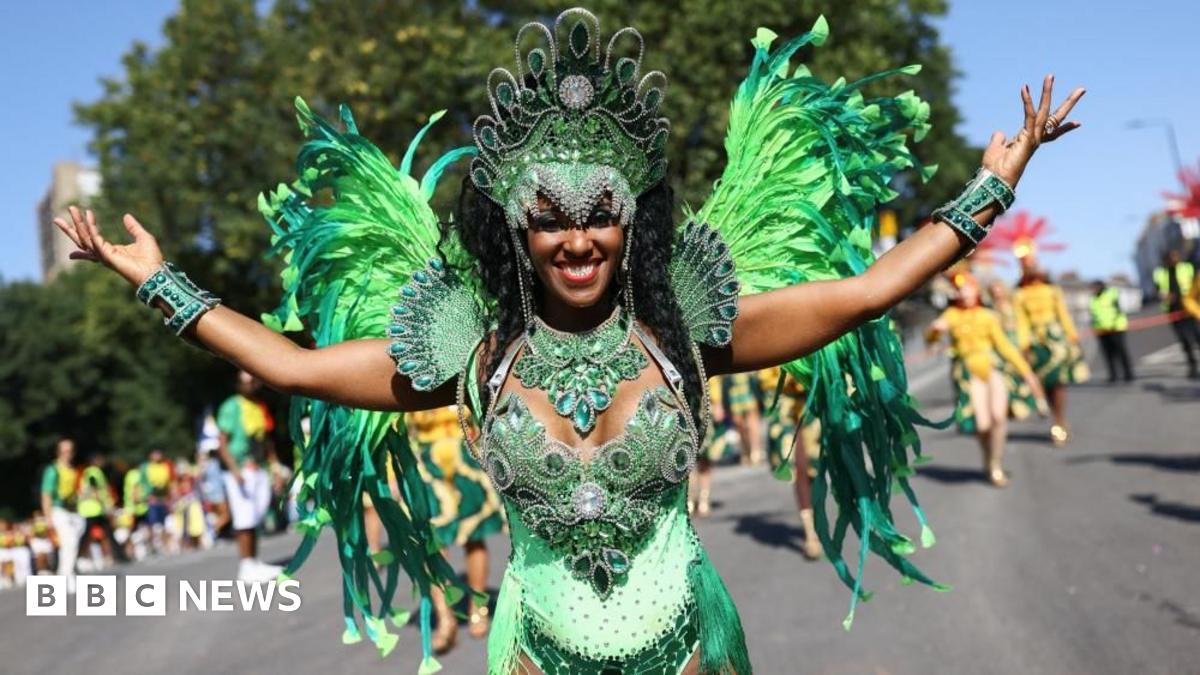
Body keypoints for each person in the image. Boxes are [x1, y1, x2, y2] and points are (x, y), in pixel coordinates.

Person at [55, 8, 1082, 671]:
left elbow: (860, 294)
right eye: (549, 218)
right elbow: (288, 365)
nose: (577, 237)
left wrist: (995, 184)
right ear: (518, 231)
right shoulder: (472, 347)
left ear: (632, 221)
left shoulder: (686, 325)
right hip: (533, 653)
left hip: (690, 648)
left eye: (599, 214)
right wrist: (159, 281)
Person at [928, 273, 1045, 486]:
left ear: (976, 290)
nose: (965, 293)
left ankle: (995, 464)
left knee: (998, 417)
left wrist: (1027, 373)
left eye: (969, 288)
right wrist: (934, 331)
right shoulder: (952, 314)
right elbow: (933, 336)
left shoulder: (988, 316)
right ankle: (988, 455)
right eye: (960, 289)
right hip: (968, 372)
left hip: (991, 369)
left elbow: (1005, 347)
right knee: (982, 425)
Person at [407, 406, 504, 653]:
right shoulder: (409, 376)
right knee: (433, 545)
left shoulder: (460, 371)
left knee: (474, 538)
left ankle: (477, 608)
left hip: (464, 459)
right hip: (428, 467)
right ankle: (445, 617)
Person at [1014, 261, 1089, 446]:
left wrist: (1072, 336)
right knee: (1045, 384)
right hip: (1036, 344)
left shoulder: (1052, 291)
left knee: (1058, 383)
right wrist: (1024, 346)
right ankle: (1057, 419)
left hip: (1055, 342)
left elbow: (1063, 315)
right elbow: (1021, 322)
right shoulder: (1020, 296)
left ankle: (1059, 421)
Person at [216, 371, 279, 581]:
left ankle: (253, 561)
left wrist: (274, 464)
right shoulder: (231, 406)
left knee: (255, 515)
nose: (250, 384)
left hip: (258, 467)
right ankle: (246, 566)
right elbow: (222, 443)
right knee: (245, 517)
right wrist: (235, 470)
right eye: (245, 381)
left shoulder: (259, 406)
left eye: (253, 380)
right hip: (240, 469)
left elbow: (266, 439)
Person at [40, 438, 83, 593]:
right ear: (58, 452)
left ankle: (66, 571)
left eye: (70, 451)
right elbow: (46, 494)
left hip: (74, 512)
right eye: (64, 451)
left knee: (71, 544)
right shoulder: (53, 470)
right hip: (59, 510)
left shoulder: (73, 470)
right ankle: (66, 575)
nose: (67, 454)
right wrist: (48, 517)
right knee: (69, 542)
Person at [1154, 250, 1199, 378]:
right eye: (1171, 257)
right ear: (1166, 260)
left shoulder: (1187, 268)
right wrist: (1164, 295)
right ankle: (1193, 367)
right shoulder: (1160, 274)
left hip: (1190, 308)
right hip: (1173, 310)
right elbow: (1158, 290)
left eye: (1176, 256)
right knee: (1185, 340)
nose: (1174, 259)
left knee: (1197, 336)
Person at [76, 453, 117, 570]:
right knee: (88, 536)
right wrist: (106, 506)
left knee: (103, 533)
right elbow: (94, 490)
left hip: (95, 509)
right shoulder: (93, 472)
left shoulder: (91, 472)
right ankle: (82, 558)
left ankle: (108, 556)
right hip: (92, 509)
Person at [1089, 280, 1134, 382]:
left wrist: (1113, 324)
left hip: (1116, 328)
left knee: (1121, 352)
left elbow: (1118, 310)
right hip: (1101, 330)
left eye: (1094, 287)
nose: (1093, 290)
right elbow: (1093, 315)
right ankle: (1113, 375)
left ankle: (1128, 373)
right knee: (1108, 354)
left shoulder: (1111, 294)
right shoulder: (1092, 299)